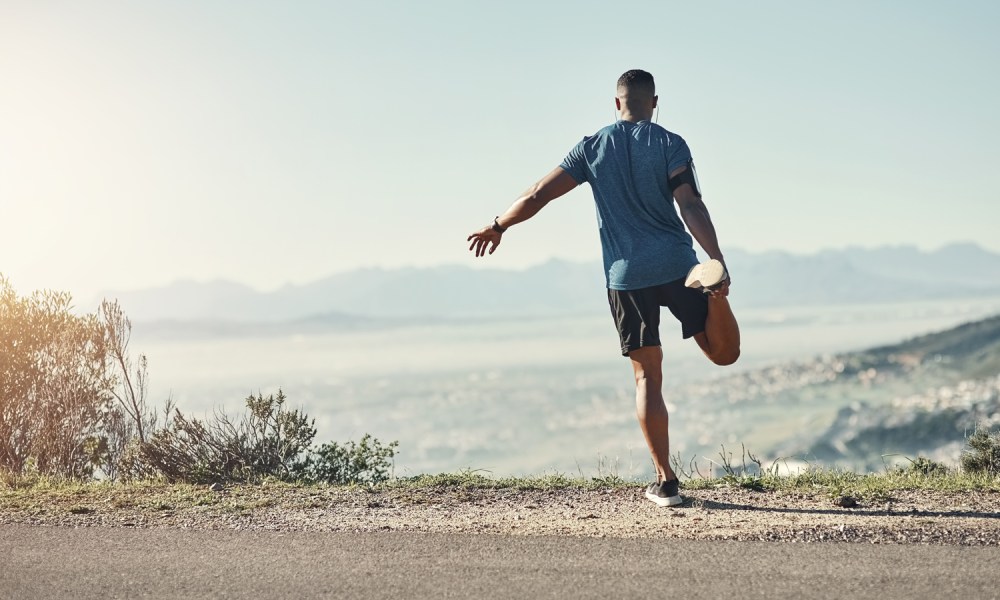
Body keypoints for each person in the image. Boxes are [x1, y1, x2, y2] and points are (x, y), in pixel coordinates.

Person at [466, 69, 741, 507]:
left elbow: (538, 194)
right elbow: (690, 203)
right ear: (654, 102)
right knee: (724, 354)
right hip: (676, 264)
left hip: (626, 277)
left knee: (648, 376)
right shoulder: (670, 143)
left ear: (616, 104)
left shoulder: (593, 146)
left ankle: (666, 482)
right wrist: (717, 260)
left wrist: (498, 225)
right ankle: (716, 293)